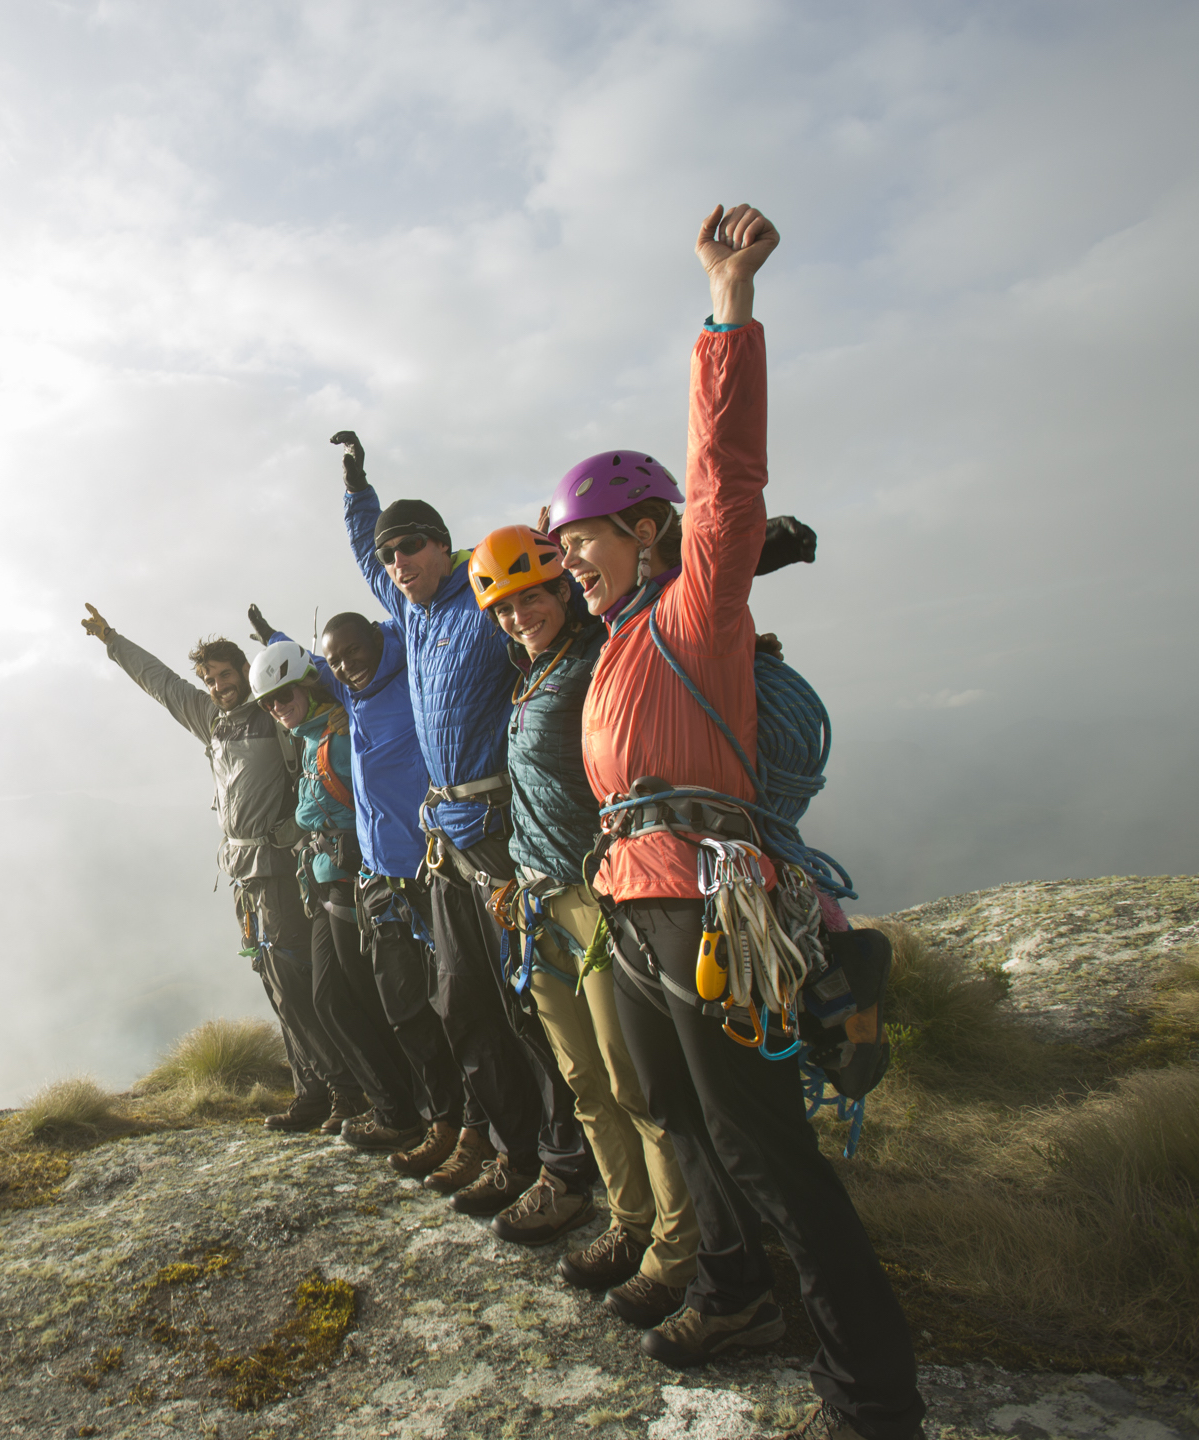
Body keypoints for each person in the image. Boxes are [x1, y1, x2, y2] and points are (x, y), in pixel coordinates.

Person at [549, 204, 926, 1440]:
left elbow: (729, 475)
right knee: (694, 1123)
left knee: (768, 1155)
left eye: (584, 541)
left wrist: (728, 306)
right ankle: (737, 1293)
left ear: (646, 531)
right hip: (646, 911)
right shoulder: (609, 652)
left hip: (707, 913)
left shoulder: (691, 608)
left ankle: (872, 1397)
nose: (571, 564)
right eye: (562, 550)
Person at [333, 436, 597, 1235]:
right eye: (392, 551)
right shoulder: (410, 614)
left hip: (495, 833)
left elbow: (578, 593)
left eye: (413, 545)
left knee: (527, 1009)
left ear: (445, 547)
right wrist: (356, 491)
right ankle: (513, 1152)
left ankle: (565, 1166)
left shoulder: (482, 606)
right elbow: (364, 552)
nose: (399, 559)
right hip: (443, 837)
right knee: (463, 1005)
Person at [469, 524, 702, 1319]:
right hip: (539, 901)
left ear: (565, 589)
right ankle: (629, 1221)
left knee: (632, 1078)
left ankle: (677, 1250)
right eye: (503, 605)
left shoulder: (598, 659)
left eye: (531, 596)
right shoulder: (528, 676)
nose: (517, 615)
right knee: (582, 1079)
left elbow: (654, 630)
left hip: (597, 897)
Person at [79, 607, 363, 1134]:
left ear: (243, 672)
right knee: (275, 981)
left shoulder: (271, 714)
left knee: (296, 982)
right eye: (209, 680)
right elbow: (159, 682)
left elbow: (324, 683)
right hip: (242, 873)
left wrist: (339, 710)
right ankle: (312, 1091)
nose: (217, 686)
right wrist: (111, 640)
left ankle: (343, 1090)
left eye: (225, 676)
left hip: (279, 868)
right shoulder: (211, 719)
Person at [246, 606, 465, 1177]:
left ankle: (405, 1108)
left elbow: (329, 670)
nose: (277, 710)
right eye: (269, 704)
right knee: (345, 999)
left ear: (309, 690)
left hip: (359, 880)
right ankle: (396, 1104)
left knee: (359, 1000)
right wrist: (274, 638)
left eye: (284, 698)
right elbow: (320, 663)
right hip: (331, 883)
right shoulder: (315, 732)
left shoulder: (340, 730)